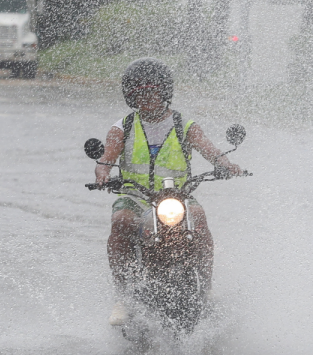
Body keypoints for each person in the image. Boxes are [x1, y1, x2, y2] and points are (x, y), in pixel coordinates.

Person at [94, 58, 243, 325]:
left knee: (199, 218)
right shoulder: (121, 128)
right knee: (120, 222)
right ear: (130, 96)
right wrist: (103, 174)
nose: (147, 98)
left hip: (179, 195)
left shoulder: (185, 125)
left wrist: (226, 164)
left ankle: (207, 287)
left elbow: (210, 150)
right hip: (135, 197)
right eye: (140, 93)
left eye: (152, 91)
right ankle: (122, 297)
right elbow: (106, 159)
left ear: (165, 92)